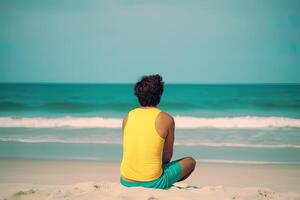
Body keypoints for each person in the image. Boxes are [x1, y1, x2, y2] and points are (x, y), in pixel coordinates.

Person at [119, 74, 196, 189]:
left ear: (138, 95)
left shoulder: (127, 117)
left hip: (126, 180)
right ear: (159, 95)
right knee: (190, 162)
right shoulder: (166, 119)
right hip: (153, 182)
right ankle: (165, 183)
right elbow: (167, 156)